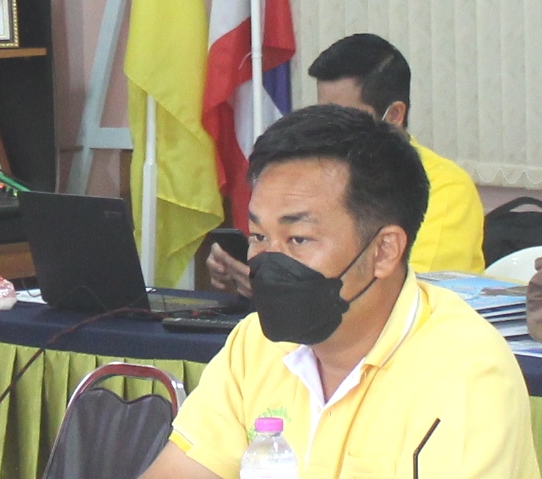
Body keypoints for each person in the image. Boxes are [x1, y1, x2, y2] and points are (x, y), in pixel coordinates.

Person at [48, 106, 542, 479]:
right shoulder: (257, 343)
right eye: (260, 237)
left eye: (299, 239)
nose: (269, 261)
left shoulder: (464, 362)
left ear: (384, 251)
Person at [206, 33, 483, 289]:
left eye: (346, 116)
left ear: (394, 115)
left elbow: (407, 292)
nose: (331, 128)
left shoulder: (446, 188)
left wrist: (281, 293)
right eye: (324, 113)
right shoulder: (317, 178)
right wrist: (247, 265)